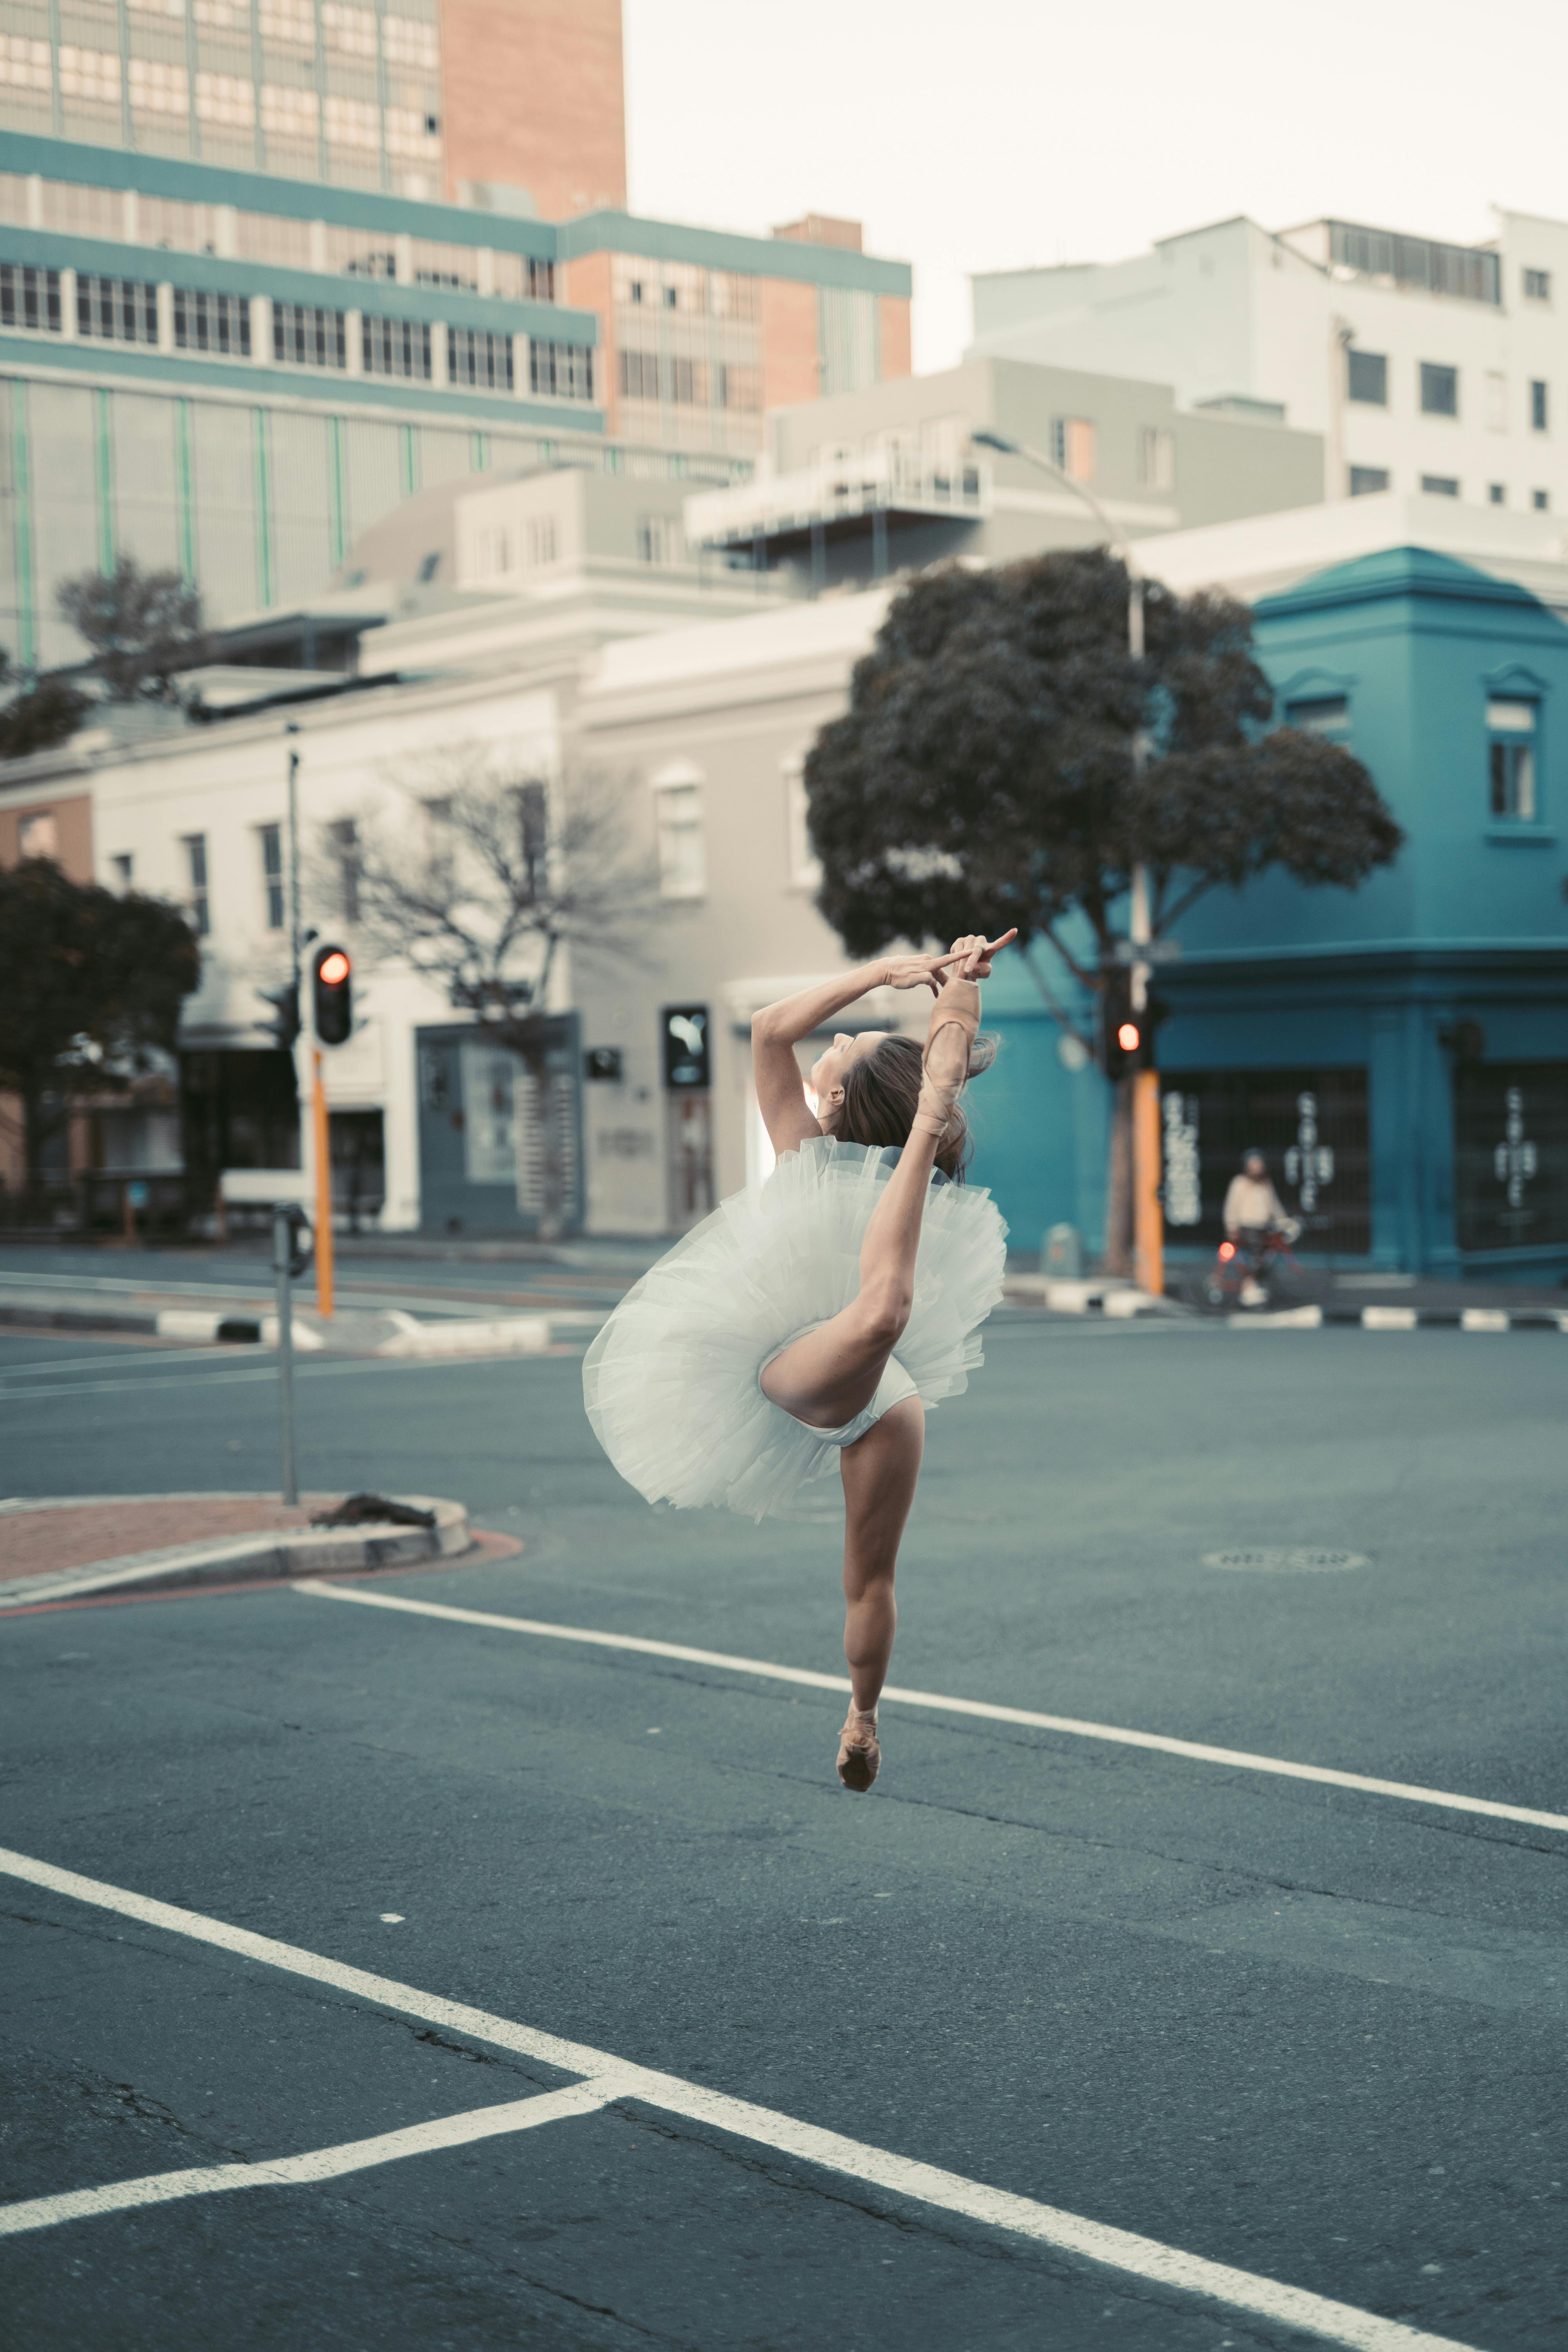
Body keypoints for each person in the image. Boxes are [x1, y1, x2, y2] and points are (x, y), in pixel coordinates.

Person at [583, 931, 1015, 1793]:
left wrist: (927, 1016)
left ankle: (863, 1716)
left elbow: (776, 1033)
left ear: (840, 1094)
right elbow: (768, 1027)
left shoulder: (807, 1154)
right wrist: (896, 977)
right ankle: (863, 1710)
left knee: (869, 1575)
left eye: (843, 1046)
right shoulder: (805, 1149)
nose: (831, 1043)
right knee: (880, 1317)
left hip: (862, 1373)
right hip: (831, 1370)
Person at [1222, 1149, 1296, 1304]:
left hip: (1263, 1226)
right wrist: (1231, 1226)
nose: (1256, 1168)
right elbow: (1232, 1206)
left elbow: (1275, 1206)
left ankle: (1257, 1283)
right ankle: (1248, 1287)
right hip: (1246, 1226)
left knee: (1270, 1254)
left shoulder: (1265, 1184)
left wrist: (1285, 1221)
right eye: (1253, 1164)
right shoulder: (1240, 1183)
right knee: (1257, 1255)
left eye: (1259, 1164)